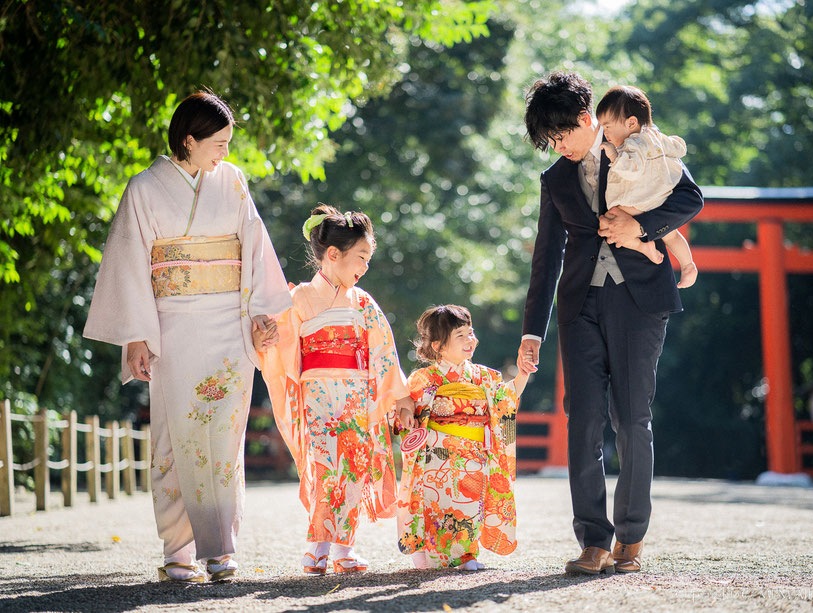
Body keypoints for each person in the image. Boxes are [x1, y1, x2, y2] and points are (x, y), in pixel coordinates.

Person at [83, 92, 292, 582]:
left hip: (228, 325)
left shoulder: (234, 181)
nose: (225, 152)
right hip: (171, 324)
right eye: (217, 143)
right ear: (189, 140)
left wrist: (262, 314)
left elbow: (255, 247)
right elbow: (132, 264)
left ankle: (220, 550)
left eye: (228, 143)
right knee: (174, 437)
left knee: (223, 436)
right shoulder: (144, 188)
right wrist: (136, 336)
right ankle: (178, 550)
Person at [519, 72, 703, 575]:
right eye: (549, 143)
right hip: (579, 306)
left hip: (640, 301)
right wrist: (532, 333)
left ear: (586, 120)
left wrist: (641, 227)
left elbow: (691, 199)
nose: (559, 148)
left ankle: (632, 537)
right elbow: (545, 257)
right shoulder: (555, 179)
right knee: (581, 419)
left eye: (561, 137)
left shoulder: (636, 146)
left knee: (631, 417)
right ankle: (593, 540)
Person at [255, 205, 415, 575]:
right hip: (319, 399)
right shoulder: (297, 300)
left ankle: (343, 549)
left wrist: (401, 396)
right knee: (325, 468)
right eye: (361, 257)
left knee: (355, 470)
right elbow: (279, 348)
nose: (365, 267)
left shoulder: (363, 303)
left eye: (368, 259)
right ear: (333, 255)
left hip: (357, 398)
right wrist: (264, 338)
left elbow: (384, 353)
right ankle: (317, 547)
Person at [396, 305, 532, 570]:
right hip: (436, 455)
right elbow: (407, 412)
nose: (471, 339)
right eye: (461, 335)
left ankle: (466, 555)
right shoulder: (423, 378)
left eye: (471, 333)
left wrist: (523, 373)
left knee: (469, 505)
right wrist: (406, 414)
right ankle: (426, 549)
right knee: (436, 503)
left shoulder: (485, 376)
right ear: (438, 345)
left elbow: (506, 401)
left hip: (474, 452)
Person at [596, 85, 697, 288]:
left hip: (637, 203)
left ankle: (645, 249)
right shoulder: (655, 137)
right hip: (656, 199)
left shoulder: (634, 144)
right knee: (672, 235)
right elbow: (676, 147)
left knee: (607, 225)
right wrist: (677, 144)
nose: (605, 133)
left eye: (607, 126)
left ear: (631, 122)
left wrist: (614, 156)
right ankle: (688, 265)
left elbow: (632, 168)